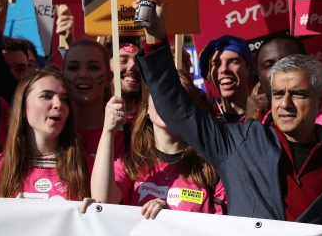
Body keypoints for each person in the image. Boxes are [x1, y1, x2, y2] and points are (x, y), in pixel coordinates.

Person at [135, 0, 322, 236]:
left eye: (298, 94)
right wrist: (155, 37)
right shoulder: (239, 143)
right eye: (278, 94)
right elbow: (175, 108)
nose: (285, 104)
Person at [86, 74, 226, 219]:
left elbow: (216, 235)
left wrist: (169, 218)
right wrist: (108, 131)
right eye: (160, 92)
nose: (168, 100)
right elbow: (101, 201)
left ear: (191, 109)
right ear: (146, 108)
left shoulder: (211, 172)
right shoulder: (130, 165)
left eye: (177, 94)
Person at [0, 70, 92, 200]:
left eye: (65, 99)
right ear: (23, 109)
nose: (59, 104)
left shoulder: (89, 167)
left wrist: (95, 210)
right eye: (46, 96)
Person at [245, 33, 322, 162]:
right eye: (269, 65)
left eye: (289, 62)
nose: (279, 71)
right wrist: (249, 128)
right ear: (258, 75)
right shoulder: (248, 120)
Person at [62, 40, 124, 158]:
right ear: (62, 76)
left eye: (93, 67)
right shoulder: (53, 131)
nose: (83, 75)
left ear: (108, 78)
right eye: (74, 68)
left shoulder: (128, 135)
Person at [198, 35, 252, 123]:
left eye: (233, 62)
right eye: (216, 64)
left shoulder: (269, 116)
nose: (224, 69)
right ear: (208, 75)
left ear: (249, 69)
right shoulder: (207, 124)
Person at [105, 39, 142, 122]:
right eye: (123, 61)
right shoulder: (95, 118)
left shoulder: (151, 117)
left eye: (138, 62)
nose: (133, 66)